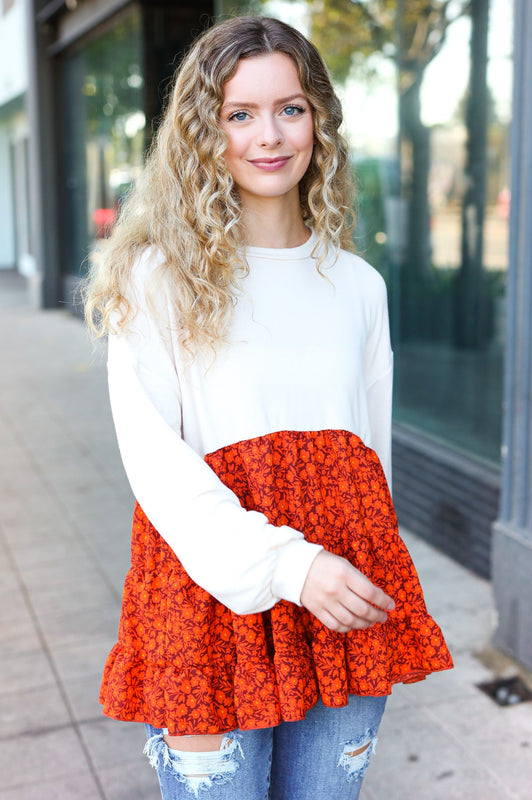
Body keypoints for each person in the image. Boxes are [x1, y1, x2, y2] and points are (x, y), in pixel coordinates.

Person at [84, 15, 453, 800]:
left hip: (339, 599)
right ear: (202, 132)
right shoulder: (156, 280)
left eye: (290, 108)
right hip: (210, 605)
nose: (269, 136)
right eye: (239, 114)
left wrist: (341, 571)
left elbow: (371, 458)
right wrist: (290, 565)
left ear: (318, 119)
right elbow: (158, 468)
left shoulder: (357, 286)